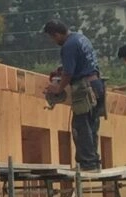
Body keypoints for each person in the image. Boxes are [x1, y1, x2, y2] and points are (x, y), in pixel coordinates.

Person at [42, 19, 104, 171]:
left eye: (53, 38)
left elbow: (69, 74)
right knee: (91, 125)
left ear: (57, 34)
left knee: (80, 127)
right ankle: (93, 162)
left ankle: (87, 164)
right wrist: (61, 70)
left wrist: (58, 88)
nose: (53, 41)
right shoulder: (81, 38)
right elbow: (79, 63)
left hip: (84, 89)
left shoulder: (68, 46)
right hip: (97, 85)